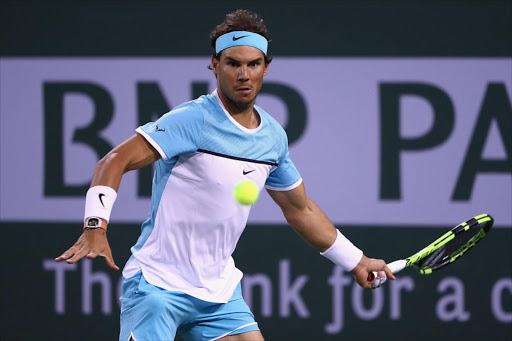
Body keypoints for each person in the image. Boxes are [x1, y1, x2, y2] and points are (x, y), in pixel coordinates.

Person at [56, 9, 394, 341]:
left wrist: (356, 261)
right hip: (157, 286)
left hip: (219, 293)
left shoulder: (272, 138)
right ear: (215, 65)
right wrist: (95, 225)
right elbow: (113, 161)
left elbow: (300, 209)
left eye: (253, 64)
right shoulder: (191, 120)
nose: (243, 74)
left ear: (266, 67)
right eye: (233, 63)